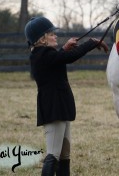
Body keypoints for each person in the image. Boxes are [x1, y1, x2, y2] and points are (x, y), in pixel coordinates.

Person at [24, 16, 108, 176]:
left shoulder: (44, 54)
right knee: (53, 155)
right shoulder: (43, 55)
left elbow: (58, 59)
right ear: (42, 39)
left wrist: (64, 48)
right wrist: (92, 42)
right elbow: (67, 58)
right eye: (51, 34)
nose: (55, 36)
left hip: (60, 108)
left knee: (64, 156)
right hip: (54, 109)